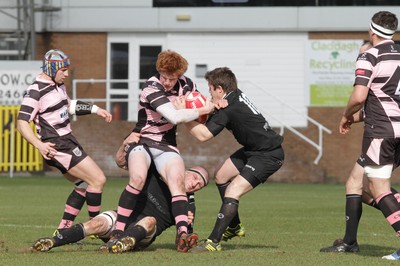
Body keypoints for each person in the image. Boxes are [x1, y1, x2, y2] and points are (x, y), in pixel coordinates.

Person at [30, 134, 209, 253]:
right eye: (195, 178)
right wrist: (125, 144)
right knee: (97, 222)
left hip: (144, 234)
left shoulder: (187, 202)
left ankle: (122, 243)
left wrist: (187, 227)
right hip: (122, 222)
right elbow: (121, 162)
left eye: (200, 185)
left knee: (149, 220)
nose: (195, 185)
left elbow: (186, 238)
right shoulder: (158, 168)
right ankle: (54, 241)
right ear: (185, 170)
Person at [109, 50, 214, 252]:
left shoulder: (187, 84)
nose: (167, 82)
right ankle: (118, 230)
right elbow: (174, 117)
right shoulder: (151, 87)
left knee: (177, 181)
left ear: (179, 75)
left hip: (166, 143)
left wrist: (208, 108)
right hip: (142, 140)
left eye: (172, 78)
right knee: (138, 178)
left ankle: (182, 234)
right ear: (159, 72)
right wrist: (203, 110)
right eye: (164, 77)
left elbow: (196, 109)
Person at [179, 67, 284, 252]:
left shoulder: (228, 108)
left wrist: (182, 116)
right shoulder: (234, 96)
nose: (209, 94)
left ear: (219, 89)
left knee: (233, 191)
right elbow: (217, 111)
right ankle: (235, 227)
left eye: (210, 89)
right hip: (254, 149)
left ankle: (213, 242)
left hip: (269, 155)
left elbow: (203, 135)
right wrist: (208, 106)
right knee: (221, 176)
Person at [17, 49, 112, 235]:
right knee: (98, 179)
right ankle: (97, 229)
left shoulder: (58, 85)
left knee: (84, 185)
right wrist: (39, 144)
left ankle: (63, 230)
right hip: (57, 145)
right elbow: (21, 123)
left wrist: (95, 109)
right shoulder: (35, 91)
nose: (67, 74)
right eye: (64, 70)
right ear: (52, 69)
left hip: (68, 141)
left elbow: (68, 105)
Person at [320, 41, 400, 253]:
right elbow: (369, 110)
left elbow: (364, 102)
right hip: (390, 131)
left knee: (377, 188)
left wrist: (346, 115)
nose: (361, 58)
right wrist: (348, 119)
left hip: (384, 134)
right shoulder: (389, 68)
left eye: (363, 53)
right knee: (354, 184)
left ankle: (353, 240)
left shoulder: (375, 65)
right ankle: (349, 242)